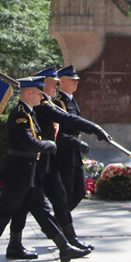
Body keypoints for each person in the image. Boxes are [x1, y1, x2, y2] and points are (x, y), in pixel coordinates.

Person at [0, 77, 89, 262]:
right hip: (18, 172)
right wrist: (48, 145)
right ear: (28, 93)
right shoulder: (20, 115)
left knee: (43, 210)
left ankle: (64, 247)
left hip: (29, 172)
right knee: (4, 213)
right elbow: (28, 142)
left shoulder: (30, 113)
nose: (41, 95)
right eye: (38, 92)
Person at [4, 66, 109, 258]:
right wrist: (94, 128)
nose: (56, 86)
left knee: (60, 197)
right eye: (53, 83)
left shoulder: (46, 103)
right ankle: (15, 243)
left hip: (47, 162)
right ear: (42, 84)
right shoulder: (41, 105)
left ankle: (69, 238)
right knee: (25, 204)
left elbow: (65, 119)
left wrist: (94, 129)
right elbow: (65, 118)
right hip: (36, 161)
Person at [55, 65, 102, 210]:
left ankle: (60, 221)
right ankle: (62, 224)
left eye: (76, 80)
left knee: (80, 191)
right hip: (63, 152)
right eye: (72, 80)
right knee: (67, 192)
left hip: (74, 152)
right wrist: (76, 143)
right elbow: (57, 133)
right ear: (62, 81)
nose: (76, 82)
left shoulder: (72, 101)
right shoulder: (58, 103)